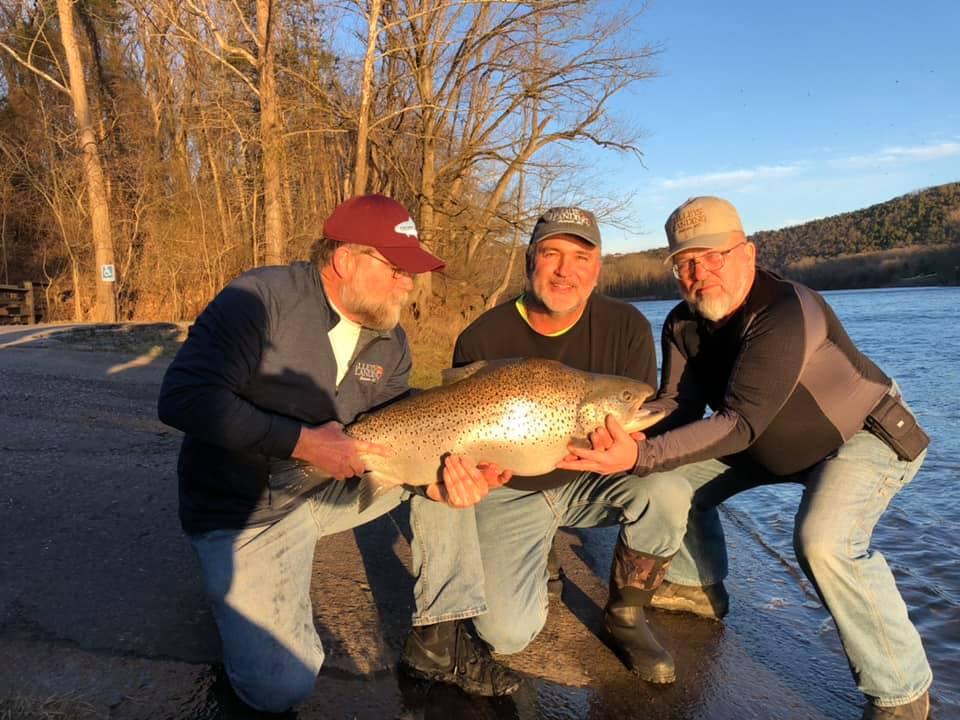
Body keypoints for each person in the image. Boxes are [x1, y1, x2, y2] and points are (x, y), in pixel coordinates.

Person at [560, 196, 932, 719]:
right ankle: (696, 586)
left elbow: (739, 422)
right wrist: (620, 429)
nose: (700, 272)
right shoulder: (681, 324)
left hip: (859, 437)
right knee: (670, 476)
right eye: (685, 262)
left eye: (714, 256)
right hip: (765, 444)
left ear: (748, 253)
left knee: (824, 543)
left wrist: (637, 457)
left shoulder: (785, 311)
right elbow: (681, 406)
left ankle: (902, 693)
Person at [158, 194, 520, 713]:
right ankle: (236, 610)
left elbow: (401, 435)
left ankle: (440, 643)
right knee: (279, 689)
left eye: (411, 272)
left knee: (450, 462)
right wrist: (304, 442)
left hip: (335, 489)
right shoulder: (260, 300)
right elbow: (183, 399)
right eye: (397, 269)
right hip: (244, 512)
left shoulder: (391, 342)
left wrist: (445, 478)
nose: (408, 284)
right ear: (345, 259)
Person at [422, 206, 693, 684]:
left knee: (669, 488)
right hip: (511, 490)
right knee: (506, 635)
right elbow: (460, 434)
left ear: (597, 269)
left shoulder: (626, 325)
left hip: (593, 478)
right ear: (531, 261)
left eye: (580, 257)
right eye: (551, 254)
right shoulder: (482, 336)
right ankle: (538, 549)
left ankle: (626, 615)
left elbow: (642, 423)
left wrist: (628, 446)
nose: (565, 270)